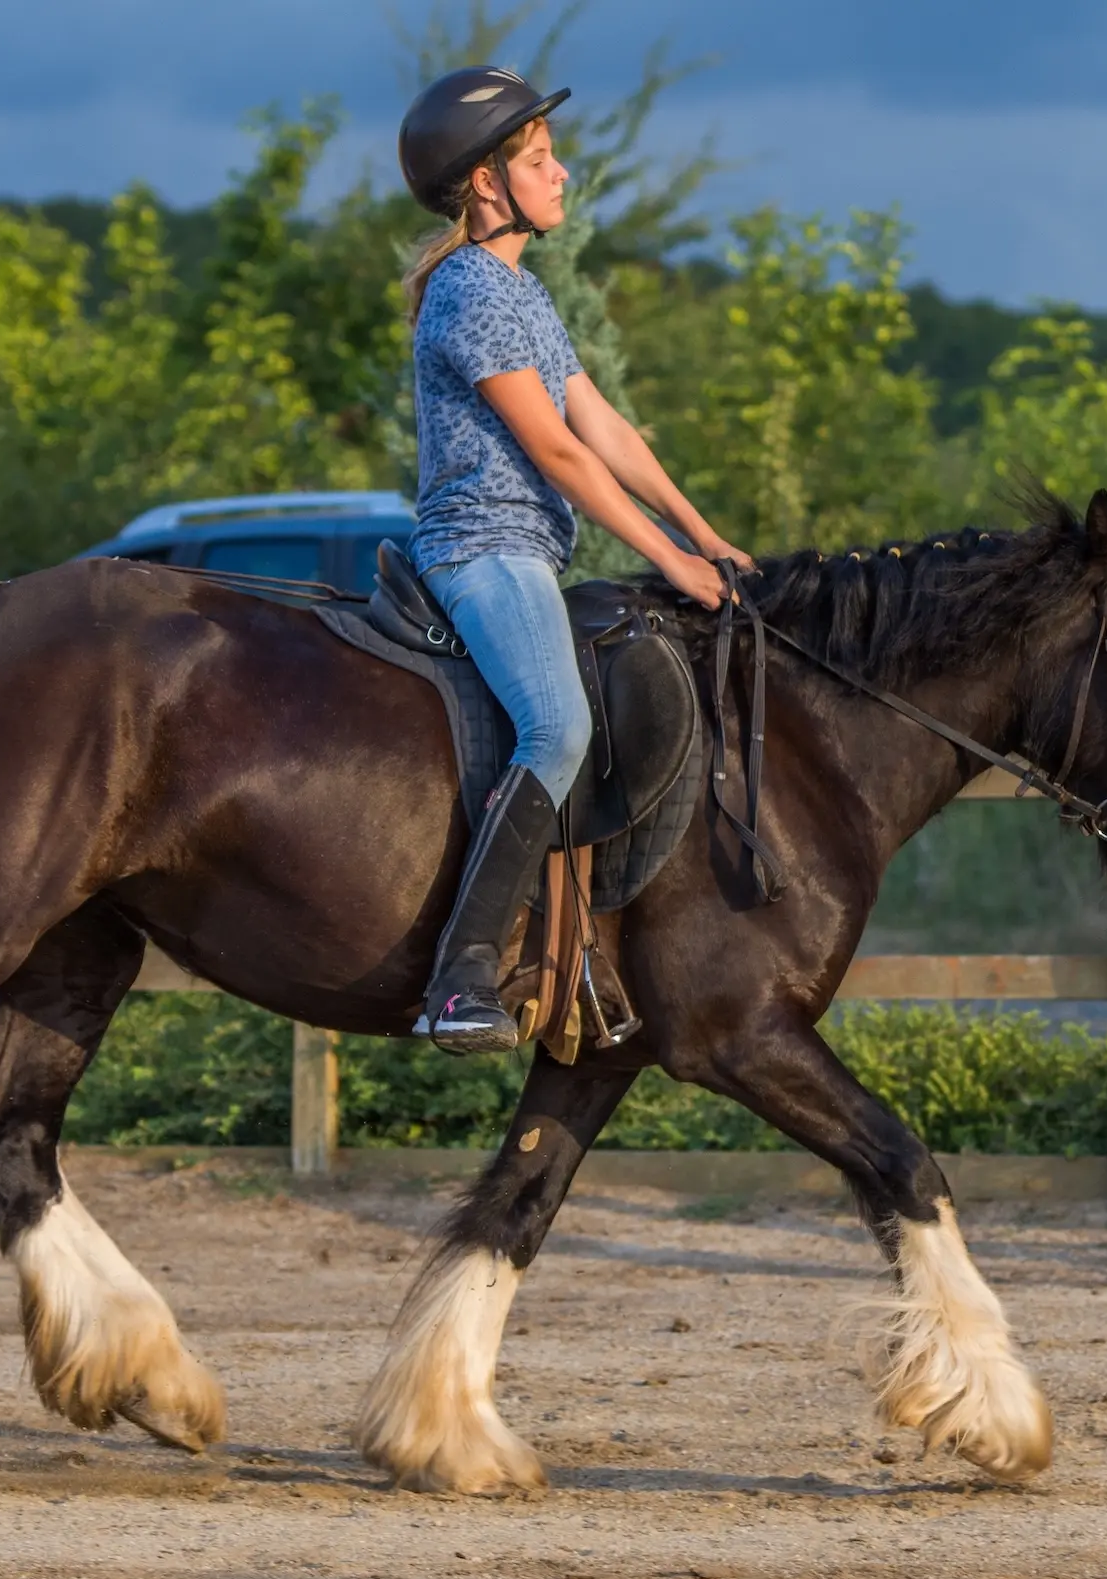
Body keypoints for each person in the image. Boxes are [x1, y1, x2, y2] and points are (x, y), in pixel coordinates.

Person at [397, 66, 754, 1054]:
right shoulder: (468, 290)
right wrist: (670, 563)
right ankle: (460, 978)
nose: (565, 176)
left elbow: (608, 430)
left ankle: (581, 951)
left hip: (529, 552)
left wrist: (702, 533)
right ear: (485, 184)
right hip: (482, 548)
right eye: (543, 161)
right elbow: (557, 452)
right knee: (556, 730)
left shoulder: (524, 293)